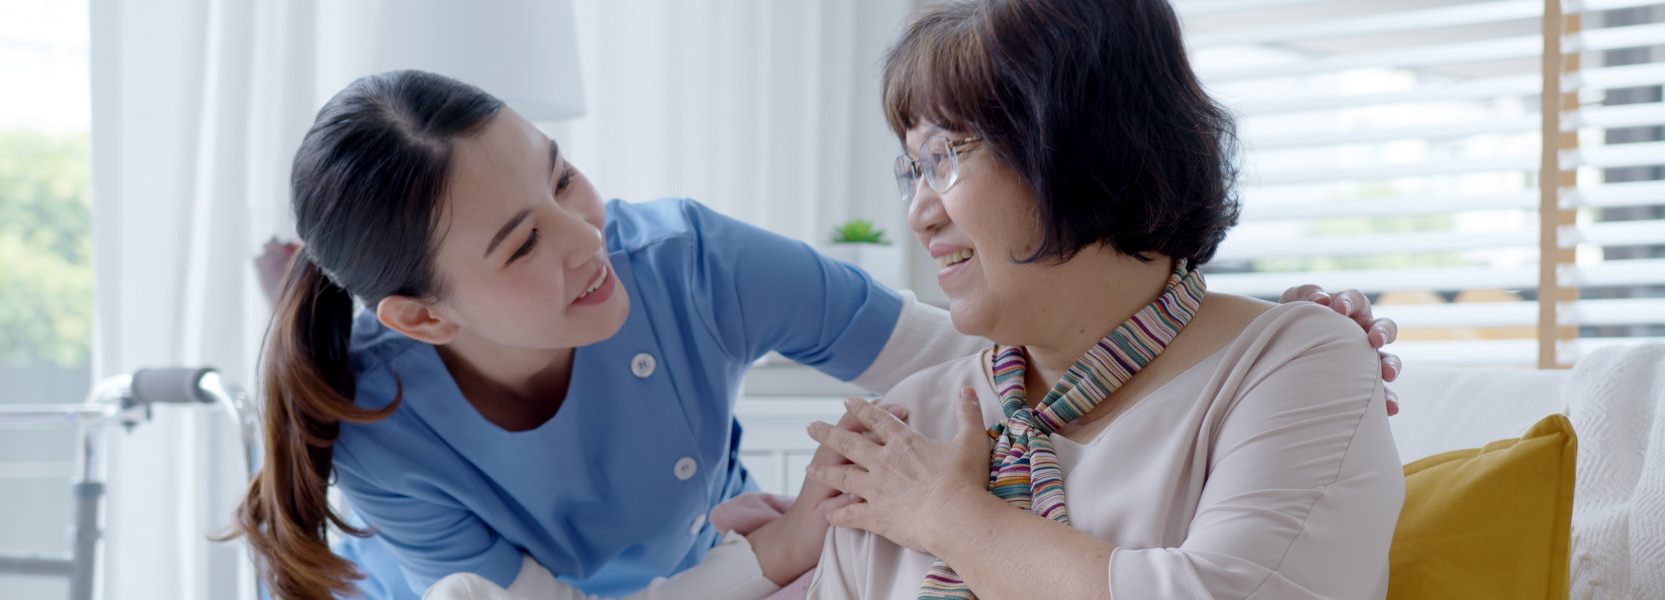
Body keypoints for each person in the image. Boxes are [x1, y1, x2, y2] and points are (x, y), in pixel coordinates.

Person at [229, 70, 1404, 600]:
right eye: (520, 246)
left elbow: (986, 347)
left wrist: (1229, 329)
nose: (585, 240)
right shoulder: (385, 429)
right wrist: (779, 549)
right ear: (422, 317)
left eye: (564, 180)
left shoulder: (684, 262)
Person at [802, 1, 1406, 598]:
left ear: (1082, 146)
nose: (919, 214)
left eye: (946, 156)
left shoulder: (1291, 363)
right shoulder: (903, 427)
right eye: (913, 170)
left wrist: (952, 518)